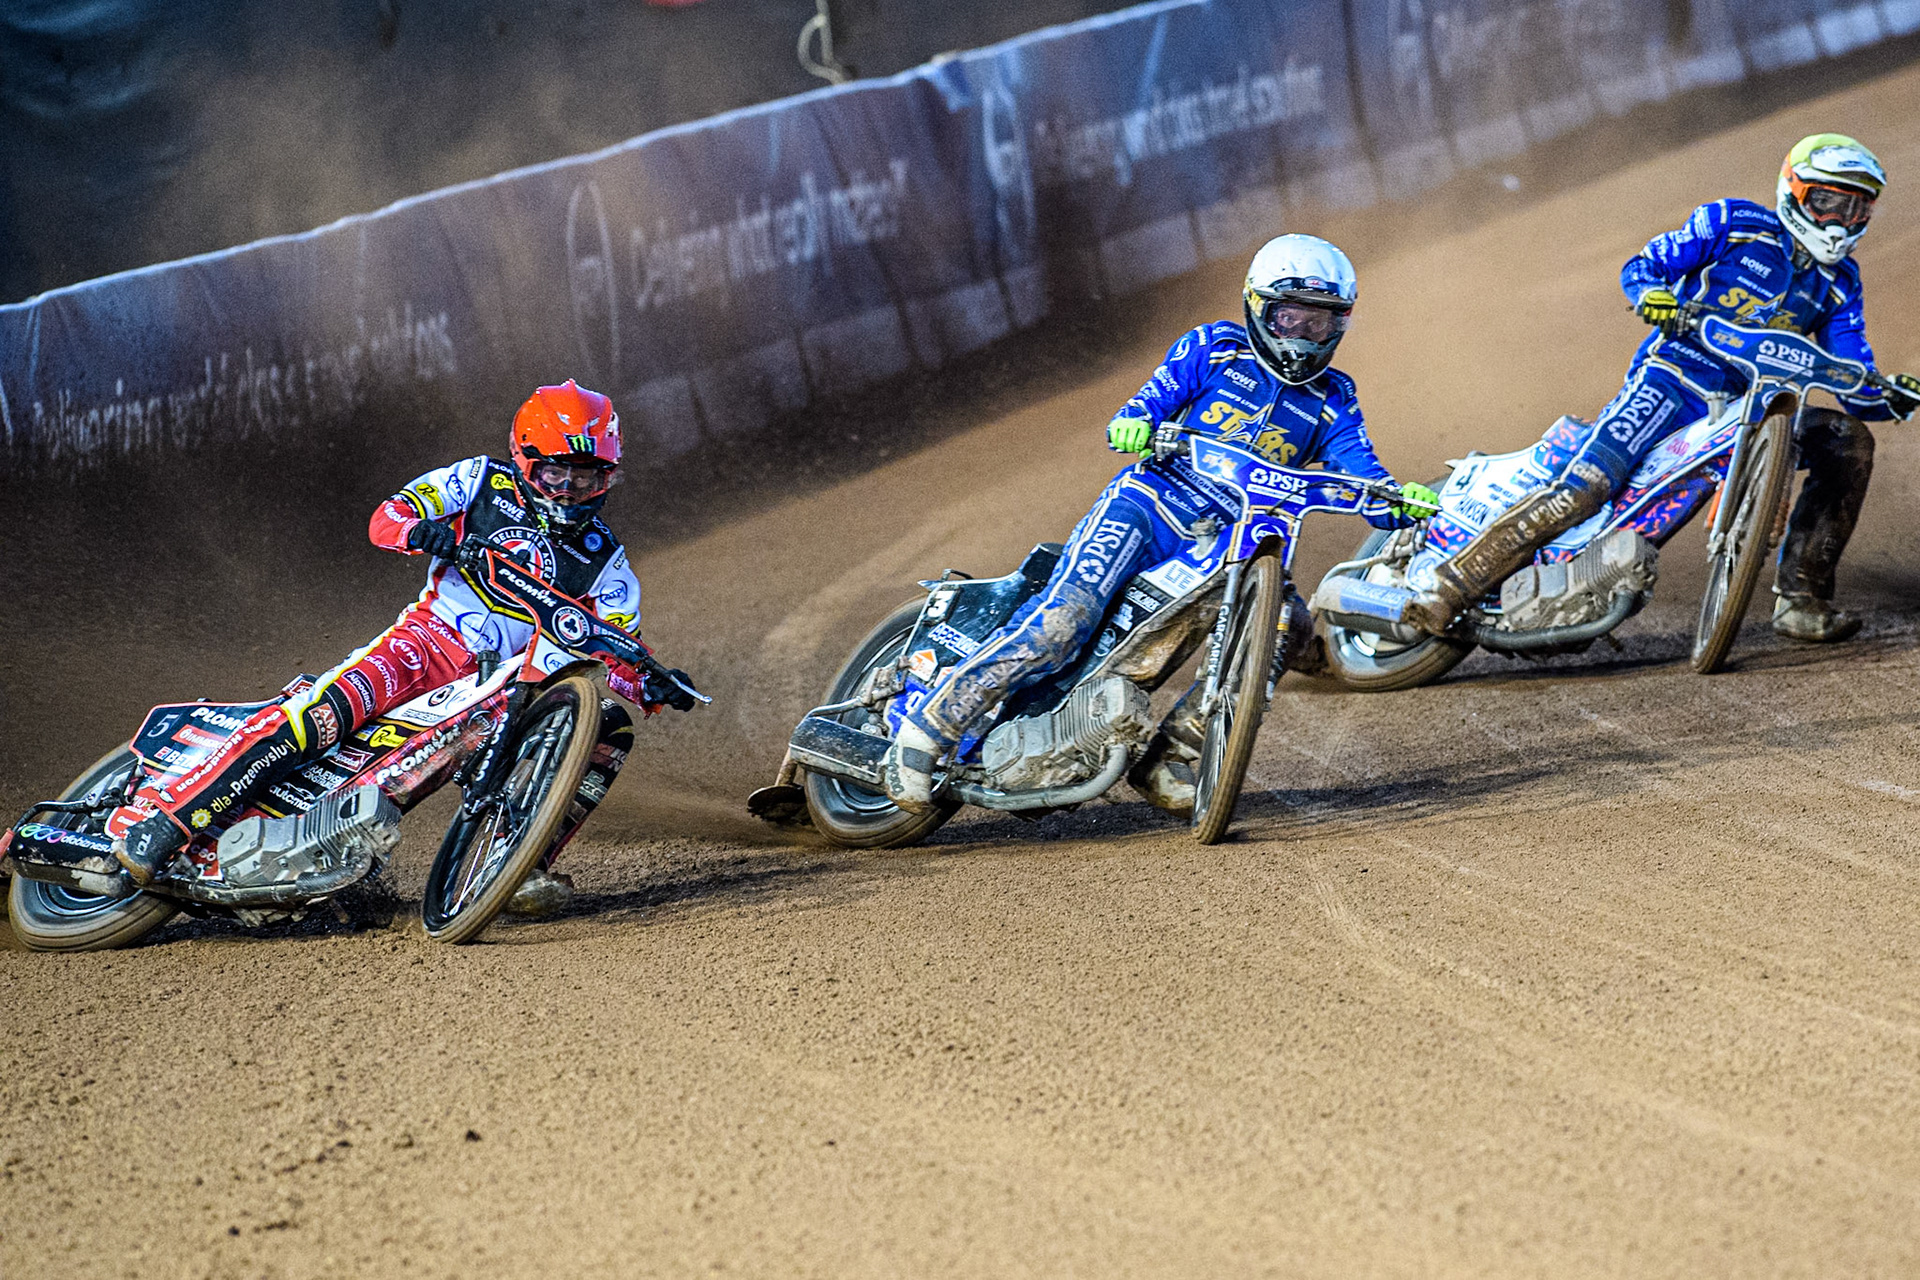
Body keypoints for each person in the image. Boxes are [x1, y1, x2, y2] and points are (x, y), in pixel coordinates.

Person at [882, 234, 1437, 815]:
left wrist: (1399, 501)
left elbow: (1366, 478)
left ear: (1340, 325)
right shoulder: (1213, 347)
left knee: (1279, 628)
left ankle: (1169, 754)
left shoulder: (1334, 397)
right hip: (1149, 505)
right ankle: (929, 729)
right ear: (1257, 305)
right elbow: (1145, 405)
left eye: (1318, 323)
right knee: (1064, 621)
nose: (1301, 335)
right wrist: (1134, 425)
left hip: (1236, 540)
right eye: (1289, 316)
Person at [113, 380, 697, 915]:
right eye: (556, 475)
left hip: (500, 688)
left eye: (588, 477)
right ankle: (170, 821)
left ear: (609, 477)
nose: (570, 491)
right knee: (316, 717)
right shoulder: (479, 481)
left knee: (607, 727)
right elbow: (387, 518)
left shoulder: (608, 560)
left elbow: (619, 650)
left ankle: (518, 867)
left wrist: (652, 682)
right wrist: (425, 532)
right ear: (525, 462)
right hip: (424, 643)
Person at [1405, 133, 1920, 641]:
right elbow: (1645, 265)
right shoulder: (1734, 224)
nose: (1839, 221)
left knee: (1848, 440)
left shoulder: (1841, 283)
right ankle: (1448, 588)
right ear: (1793, 192)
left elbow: (1853, 375)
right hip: (1672, 382)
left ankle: (1801, 600)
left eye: (1855, 209)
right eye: (1827, 202)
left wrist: (1890, 395)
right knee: (1586, 489)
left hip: (1756, 409)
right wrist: (1652, 295)